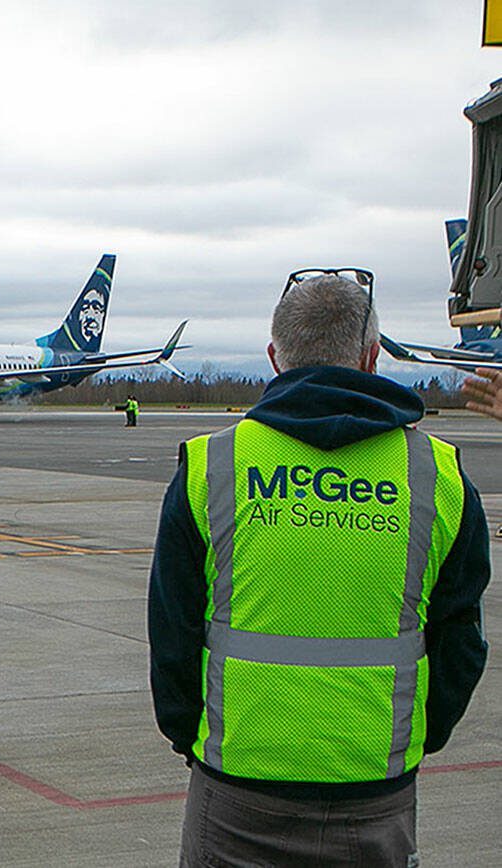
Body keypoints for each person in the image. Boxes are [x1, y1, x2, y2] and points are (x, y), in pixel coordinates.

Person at [148, 271, 489, 866]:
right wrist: (415, 740)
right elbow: (461, 641)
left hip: (237, 788)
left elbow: (171, 633)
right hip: (374, 792)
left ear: (275, 357)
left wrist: (191, 738)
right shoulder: (438, 475)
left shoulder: (213, 466)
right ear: (373, 357)